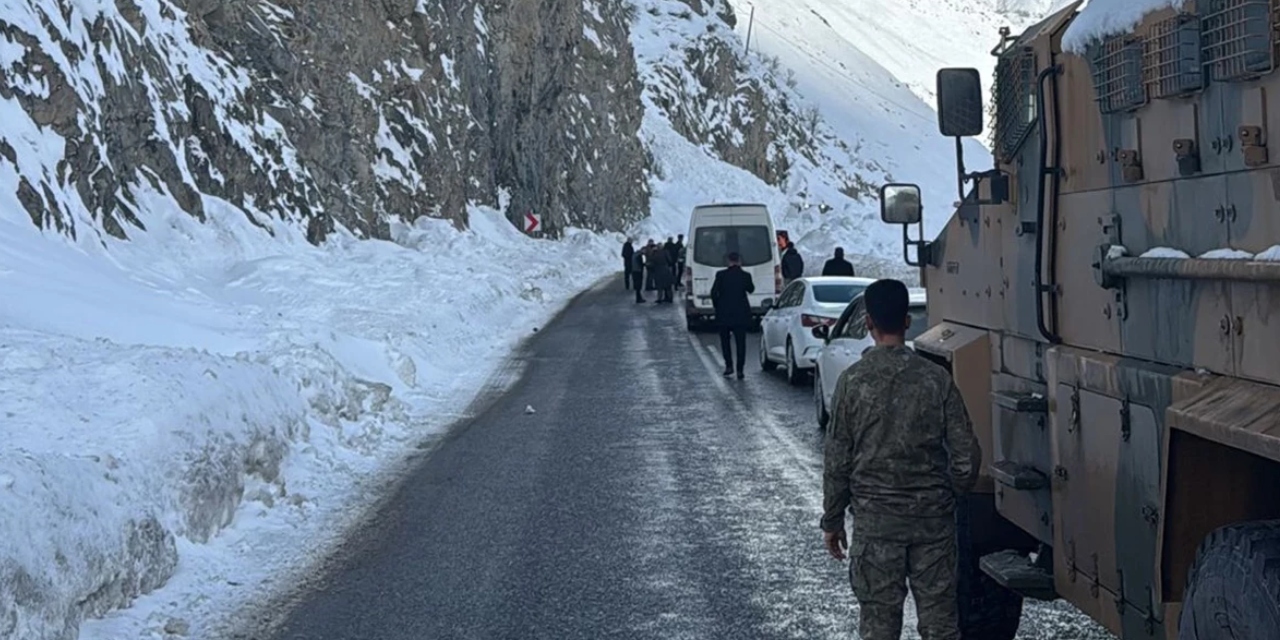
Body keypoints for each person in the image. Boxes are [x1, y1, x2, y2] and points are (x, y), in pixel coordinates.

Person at [820, 278, 981, 640]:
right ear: (907, 321)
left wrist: (832, 519)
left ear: (869, 324)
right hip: (932, 523)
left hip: (877, 526)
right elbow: (966, 455)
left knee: (879, 626)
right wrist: (949, 494)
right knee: (941, 624)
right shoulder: (936, 379)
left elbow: (837, 460)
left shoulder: (852, 382)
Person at [710, 252, 755, 379]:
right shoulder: (745, 275)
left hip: (724, 314)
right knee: (741, 342)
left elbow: (713, 293)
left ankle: (729, 366)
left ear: (729, 261)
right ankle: (740, 370)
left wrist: (718, 306)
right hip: (741, 314)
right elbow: (751, 289)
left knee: (725, 342)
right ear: (739, 261)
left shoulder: (721, 275)